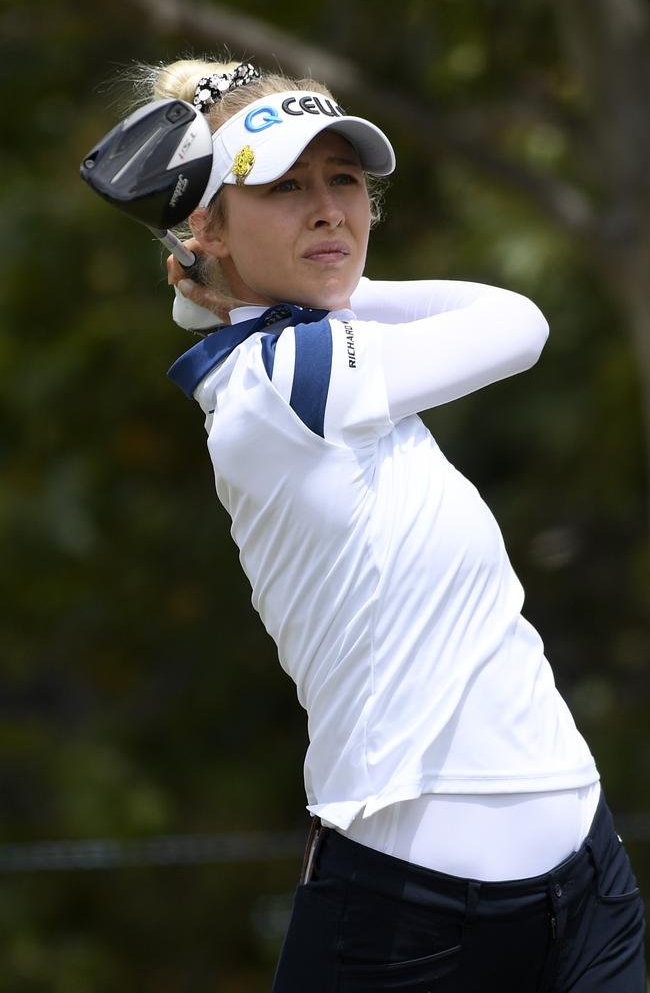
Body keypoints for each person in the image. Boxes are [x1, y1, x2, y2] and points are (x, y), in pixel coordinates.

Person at [139, 57, 646, 991]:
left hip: (584, 874)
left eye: (344, 182)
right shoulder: (285, 381)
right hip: (410, 916)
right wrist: (301, 293)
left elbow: (499, 318)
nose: (331, 208)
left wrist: (290, 281)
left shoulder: (320, 357)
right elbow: (518, 321)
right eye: (287, 187)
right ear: (203, 225)